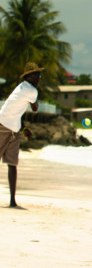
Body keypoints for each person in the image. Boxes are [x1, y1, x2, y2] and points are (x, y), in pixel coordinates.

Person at [0, 62, 42, 208]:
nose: (39, 77)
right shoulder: (30, 90)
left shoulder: (21, 88)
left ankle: (12, 200)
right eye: (35, 74)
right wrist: (36, 94)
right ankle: (12, 200)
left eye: (39, 74)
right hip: (3, 126)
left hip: (14, 128)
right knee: (12, 165)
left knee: (13, 164)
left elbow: (15, 112)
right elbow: (35, 109)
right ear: (28, 77)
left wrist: (24, 129)